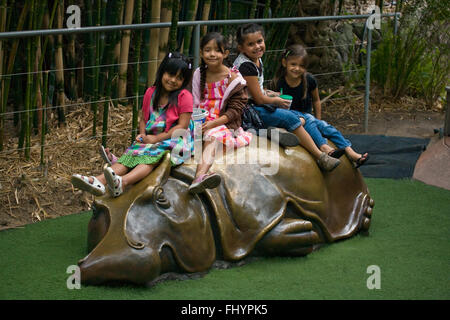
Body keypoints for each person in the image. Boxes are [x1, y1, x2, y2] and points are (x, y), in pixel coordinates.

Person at [71, 52, 194, 197]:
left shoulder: (184, 97)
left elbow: (182, 127)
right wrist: (142, 134)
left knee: (152, 156)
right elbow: (143, 119)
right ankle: (97, 181)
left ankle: (123, 182)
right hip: (151, 136)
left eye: (179, 78)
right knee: (132, 154)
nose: (173, 80)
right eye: (170, 74)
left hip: (175, 138)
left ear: (184, 81)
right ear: (162, 71)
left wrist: (156, 139)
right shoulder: (151, 92)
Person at [232, 23, 340, 171]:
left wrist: (270, 93)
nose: (257, 46)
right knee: (291, 118)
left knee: (304, 117)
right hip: (249, 111)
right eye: (251, 44)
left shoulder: (256, 59)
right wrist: (276, 100)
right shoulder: (246, 66)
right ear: (241, 48)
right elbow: (258, 99)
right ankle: (320, 157)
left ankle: (324, 147)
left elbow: (257, 90)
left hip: (256, 105)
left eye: (259, 41)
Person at [272, 44, 369, 167]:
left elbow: (316, 100)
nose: (297, 68)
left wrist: (318, 118)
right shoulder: (278, 82)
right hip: (291, 117)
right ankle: (325, 147)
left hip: (307, 116)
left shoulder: (309, 80)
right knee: (311, 121)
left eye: (301, 66)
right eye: (293, 64)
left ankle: (350, 151)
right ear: (284, 63)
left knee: (326, 127)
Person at [188, 32, 252, 194]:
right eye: (207, 50)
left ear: (225, 53)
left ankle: (199, 177)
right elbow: (193, 100)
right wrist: (194, 120)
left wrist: (212, 123)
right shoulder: (198, 73)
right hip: (199, 118)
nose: (212, 54)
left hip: (222, 122)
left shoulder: (234, 79)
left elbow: (235, 111)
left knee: (212, 137)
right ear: (201, 53)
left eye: (217, 50)